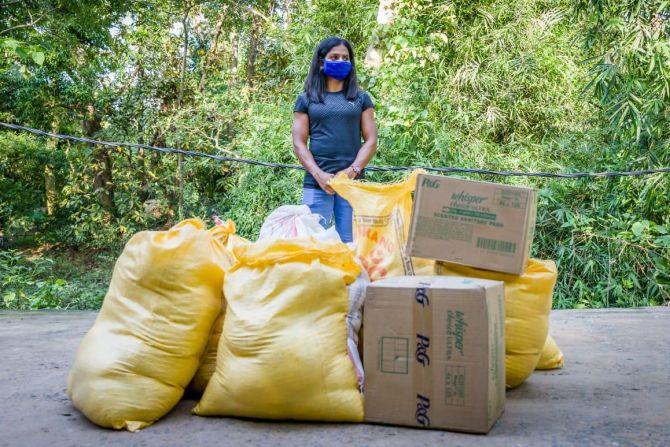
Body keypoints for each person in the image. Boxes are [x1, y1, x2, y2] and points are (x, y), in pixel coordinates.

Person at [292, 36, 378, 243]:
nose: (340, 61)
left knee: (351, 243)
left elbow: (371, 140)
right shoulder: (307, 99)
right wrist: (319, 174)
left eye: (345, 58)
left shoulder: (360, 98)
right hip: (317, 183)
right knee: (313, 243)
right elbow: (299, 143)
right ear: (321, 62)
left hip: (353, 184)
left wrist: (352, 171)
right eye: (334, 57)